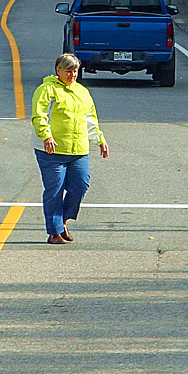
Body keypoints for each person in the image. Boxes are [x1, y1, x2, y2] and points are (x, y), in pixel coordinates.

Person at [30, 54, 108, 244]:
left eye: (75, 71)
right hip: (51, 151)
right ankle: (54, 232)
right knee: (54, 190)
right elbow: (40, 116)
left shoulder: (82, 92)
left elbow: (90, 119)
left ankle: (63, 221)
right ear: (58, 70)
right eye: (68, 71)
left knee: (80, 186)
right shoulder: (46, 90)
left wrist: (99, 139)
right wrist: (46, 136)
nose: (72, 75)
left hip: (78, 150)